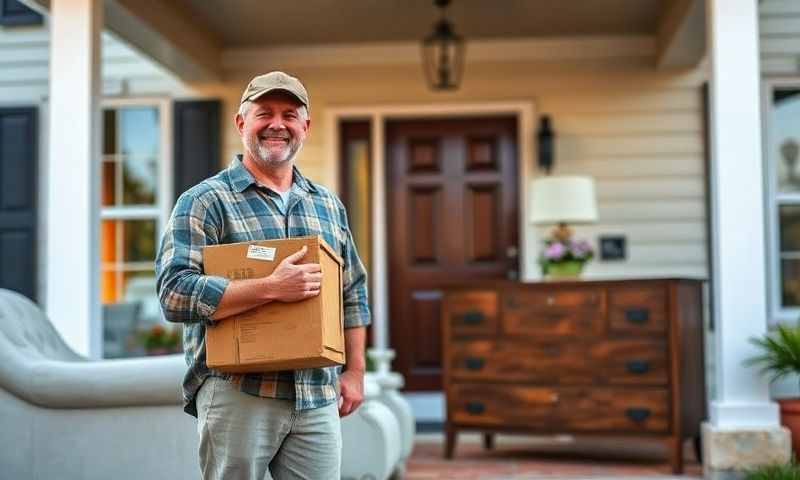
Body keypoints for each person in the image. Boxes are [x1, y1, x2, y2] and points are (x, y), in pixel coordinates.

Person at [155, 71, 370, 480]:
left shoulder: (327, 204)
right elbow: (174, 294)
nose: (277, 124)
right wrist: (271, 288)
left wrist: (355, 371)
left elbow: (352, 292)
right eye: (264, 113)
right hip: (238, 393)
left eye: (290, 114)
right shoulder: (204, 202)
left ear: (305, 127)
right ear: (241, 123)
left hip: (316, 396)